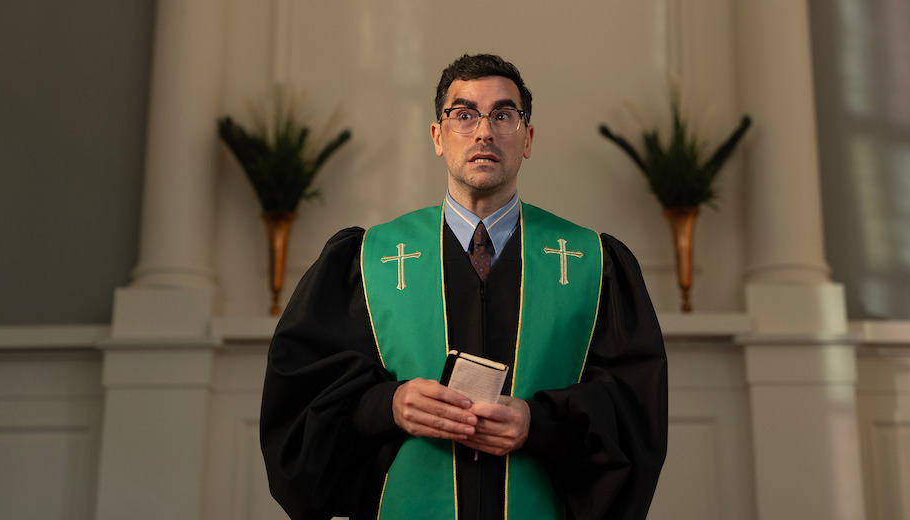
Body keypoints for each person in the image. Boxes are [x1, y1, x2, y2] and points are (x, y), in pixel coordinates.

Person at [261, 53, 668, 520]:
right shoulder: (367, 260)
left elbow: (635, 410)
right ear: (438, 136)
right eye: (464, 114)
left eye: (504, 115)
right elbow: (301, 403)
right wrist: (386, 405)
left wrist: (541, 424)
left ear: (527, 138)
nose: (484, 131)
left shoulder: (592, 262)